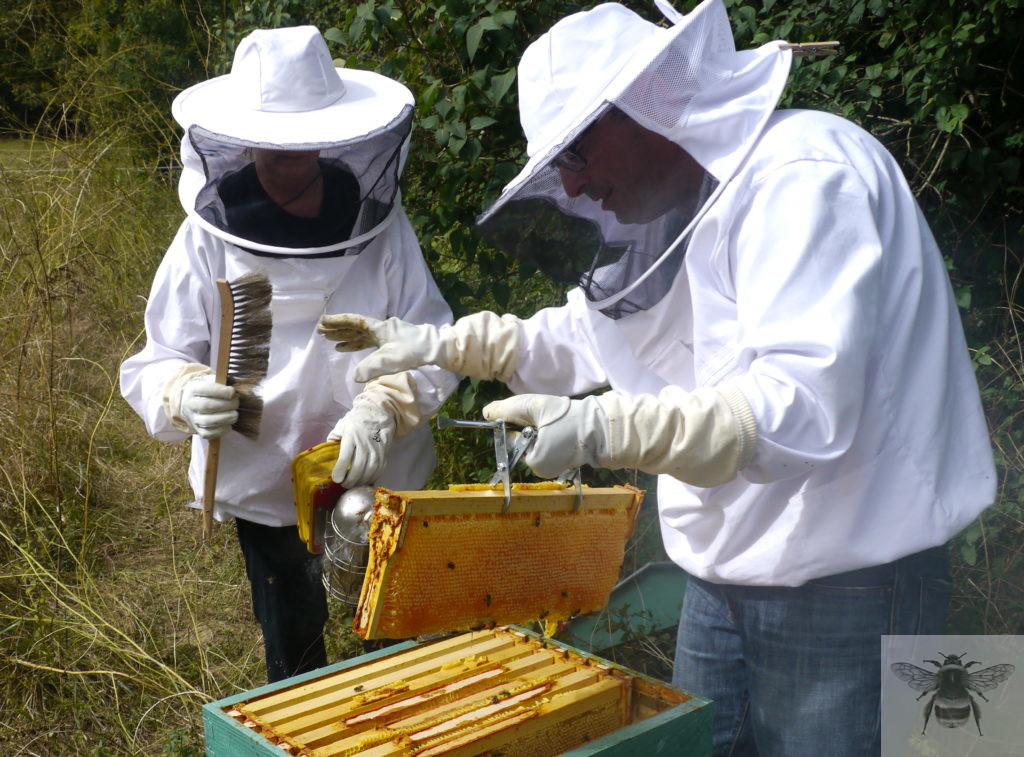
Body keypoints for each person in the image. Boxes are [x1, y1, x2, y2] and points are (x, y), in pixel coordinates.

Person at [315, 1, 997, 754]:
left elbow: (801, 408)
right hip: (718, 575)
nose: (570, 190)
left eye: (573, 158)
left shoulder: (806, 174)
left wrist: (609, 426)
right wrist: (441, 344)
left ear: (646, 105)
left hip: (857, 581)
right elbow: (584, 333)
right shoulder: (675, 209)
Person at [120, 26, 457, 684]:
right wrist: (180, 390)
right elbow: (159, 353)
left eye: (304, 144)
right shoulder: (207, 238)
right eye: (274, 146)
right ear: (245, 141)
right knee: (294, 652)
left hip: (376, 470)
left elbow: (432, 340)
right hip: (265, 479)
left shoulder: (381, 228)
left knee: (393, 642)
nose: (289, 158)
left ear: (333, 135)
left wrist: (385, 406)